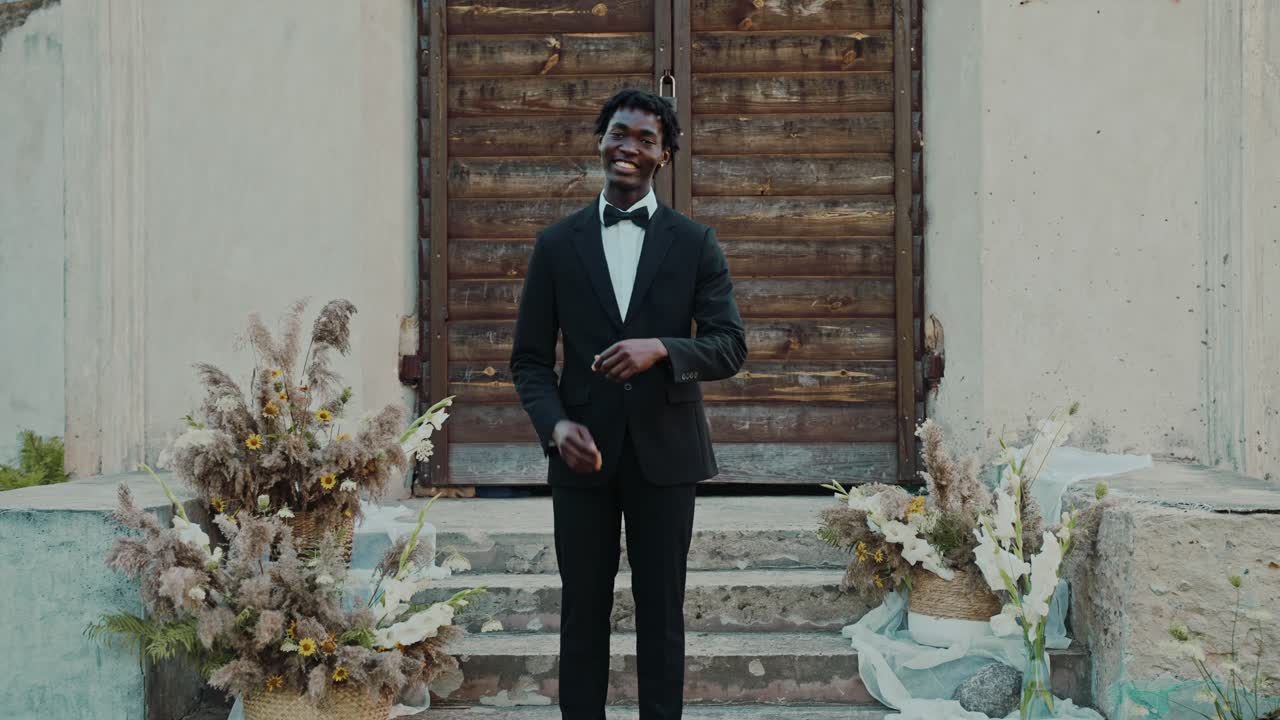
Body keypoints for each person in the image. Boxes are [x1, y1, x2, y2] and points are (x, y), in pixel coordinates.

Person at [510, 87, 748, 720]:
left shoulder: (695, 243)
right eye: (619, 132)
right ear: (601, 139)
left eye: (647, 139)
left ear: (663, 155)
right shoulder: (556, 245)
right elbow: (529, 361)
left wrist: (662, 349)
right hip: (581, 458)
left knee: (662, 616)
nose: (629, 147)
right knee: (581, 612)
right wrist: (555, 426)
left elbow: (729, 346)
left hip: (665, 457)